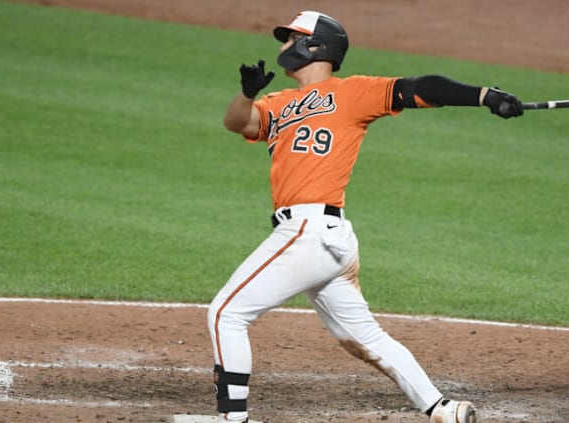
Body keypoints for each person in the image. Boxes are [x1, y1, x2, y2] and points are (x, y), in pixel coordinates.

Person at [206, 10, 523, 423]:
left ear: (314, 46)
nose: (283, 46)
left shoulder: (353, 92)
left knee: (225, 314)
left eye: (291, 38)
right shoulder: (276, 104)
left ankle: (233, 421)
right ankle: (442, 408)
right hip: (324, 240)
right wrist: (247, 93)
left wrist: (484, 95)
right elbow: (237, 122)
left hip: (309, 232)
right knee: (364, 337)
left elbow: (420, 88)